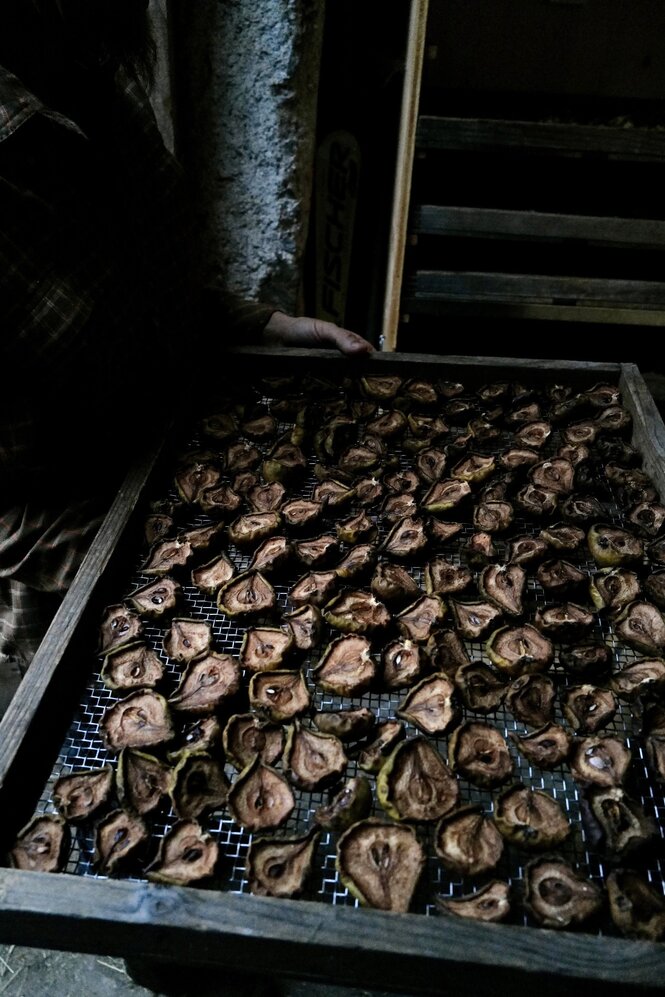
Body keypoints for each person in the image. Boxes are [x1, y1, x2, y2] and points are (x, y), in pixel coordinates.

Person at [0, 0, 373, 715]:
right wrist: (128, 556)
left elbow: (137, 288)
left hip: (203, 477)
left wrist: (265, 323)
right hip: (74, 573)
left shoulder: (93, 61)